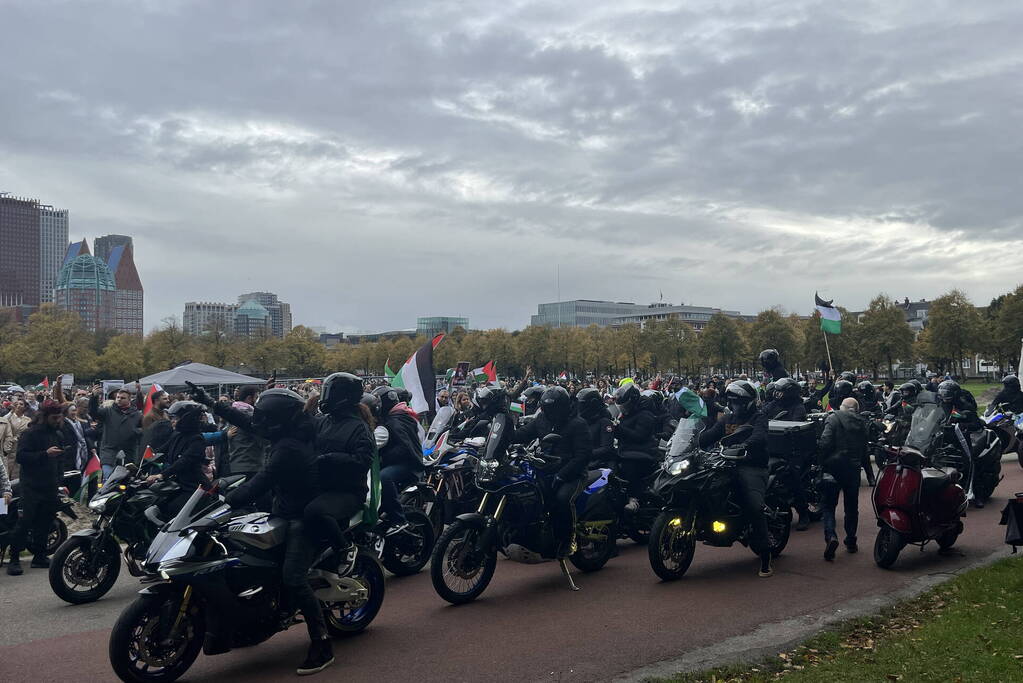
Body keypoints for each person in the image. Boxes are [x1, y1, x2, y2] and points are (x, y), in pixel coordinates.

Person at [192, 385, 333, 676]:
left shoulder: (290, 448)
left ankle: (322, 643)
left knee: (293, 578)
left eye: (265, 416)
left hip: (303, 515)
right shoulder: (285, 430)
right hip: (283, 509)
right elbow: (247, 421)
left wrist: (222, 500)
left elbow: (260, 482)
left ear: (278, 419)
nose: (260, 420)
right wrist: (210, 402)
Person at [511, 386, 592, 558]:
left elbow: (583, 456)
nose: (550, 412)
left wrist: (562, 475)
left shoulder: (578, 424)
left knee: (562, 499)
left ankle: (567, 540)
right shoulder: (542, 419)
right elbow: (523, 434)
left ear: (562, 407)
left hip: (572, 473)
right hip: (545, 468)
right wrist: (504, 436)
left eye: (553, 409)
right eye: (547, 409)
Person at [305, 373, 374, 565]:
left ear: (343, 396)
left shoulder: (359, 428)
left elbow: (363, 461)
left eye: (329, 392)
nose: (324, 397)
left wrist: (330, 458)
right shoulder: (324, 421)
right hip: (322, 485)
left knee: (314, 511)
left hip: (347, 491)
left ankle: (344, 549)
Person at [6, 401, 68, 576]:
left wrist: (60, 481)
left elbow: (61, 459)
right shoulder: (30, 433)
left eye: (59, 417)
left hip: (50, 485)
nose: (58, 421)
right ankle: (14, 559)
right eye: (54, 418)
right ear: (44, 417)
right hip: (31, 486)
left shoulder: (58, 434)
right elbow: (21, 456)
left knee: (45, 521)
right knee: (25, 522)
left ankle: (39, 556)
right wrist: (44, 454)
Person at [817, 397, 867, 560]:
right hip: (853, 469)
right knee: (852, 506)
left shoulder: (833, 418)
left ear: (842, 407)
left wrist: (820, 461)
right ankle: (851, 540)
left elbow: (825, 442)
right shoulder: (861, 422)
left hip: (833, 467)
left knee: (828, 505)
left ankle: (831, 536)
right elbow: (864, 446)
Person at [371, 385, 423, 534]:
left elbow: (404, 448)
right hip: (400, 462)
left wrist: (383, 458)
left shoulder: (395, 420)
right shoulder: (397, 417)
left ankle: (399, 520)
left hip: (408, 465)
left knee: (383, 477)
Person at [144, 401, 212, 514]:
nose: (172, 421)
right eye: (171, 418)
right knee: (154, 504)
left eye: (175, 418)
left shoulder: (197, 440)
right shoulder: (177, 436)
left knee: (170, 510)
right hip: (176, 484)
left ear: (187, 419)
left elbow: (184, 461)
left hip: (193, 487)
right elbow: (159, 453)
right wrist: (138, 466)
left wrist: (161, 475)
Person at [613, 383, 658, 512]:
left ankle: (634, 498)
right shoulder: (624, 415)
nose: (622, 408)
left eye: (624, 404)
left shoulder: (645, 415)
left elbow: (640, 436)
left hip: (642, 452)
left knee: (630, 466)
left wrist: (619, 429)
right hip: (624, 450)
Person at [89, 387, 142, 480]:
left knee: (127, 481)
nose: (119, 399)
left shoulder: (137, 414)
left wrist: (135, 432)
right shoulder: (108, 411)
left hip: (128, 453)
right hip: (109, 451)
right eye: (118, 397)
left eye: (122, 398)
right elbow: (94, 412)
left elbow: (143, 429)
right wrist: (94, 397)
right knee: (109, 479)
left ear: (129, 400)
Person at [221, 386, 268, 479]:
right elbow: (262, 439)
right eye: (256, 397)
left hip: (235, 463)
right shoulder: (249, 415)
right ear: (249, 398)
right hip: (250, 464)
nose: (258, 401)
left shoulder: (233, 413)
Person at [576, 387, 615, 467]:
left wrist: (583, 455)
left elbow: (606, 448)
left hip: (600, 464)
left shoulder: (604, 422)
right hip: (583, 461)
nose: (579, 407)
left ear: (592, 404)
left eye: (582, 405)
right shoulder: (581, 421)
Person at [0, 399, 31, 480]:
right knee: (6, 471)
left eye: (21, 404)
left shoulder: (28, 420)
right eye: (16, 404)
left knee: (17, 472)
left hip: (20, 446)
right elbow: (2, 421)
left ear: (25, 407)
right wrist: (11, 411)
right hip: (8, 447)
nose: (18, 405)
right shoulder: (9, 416)